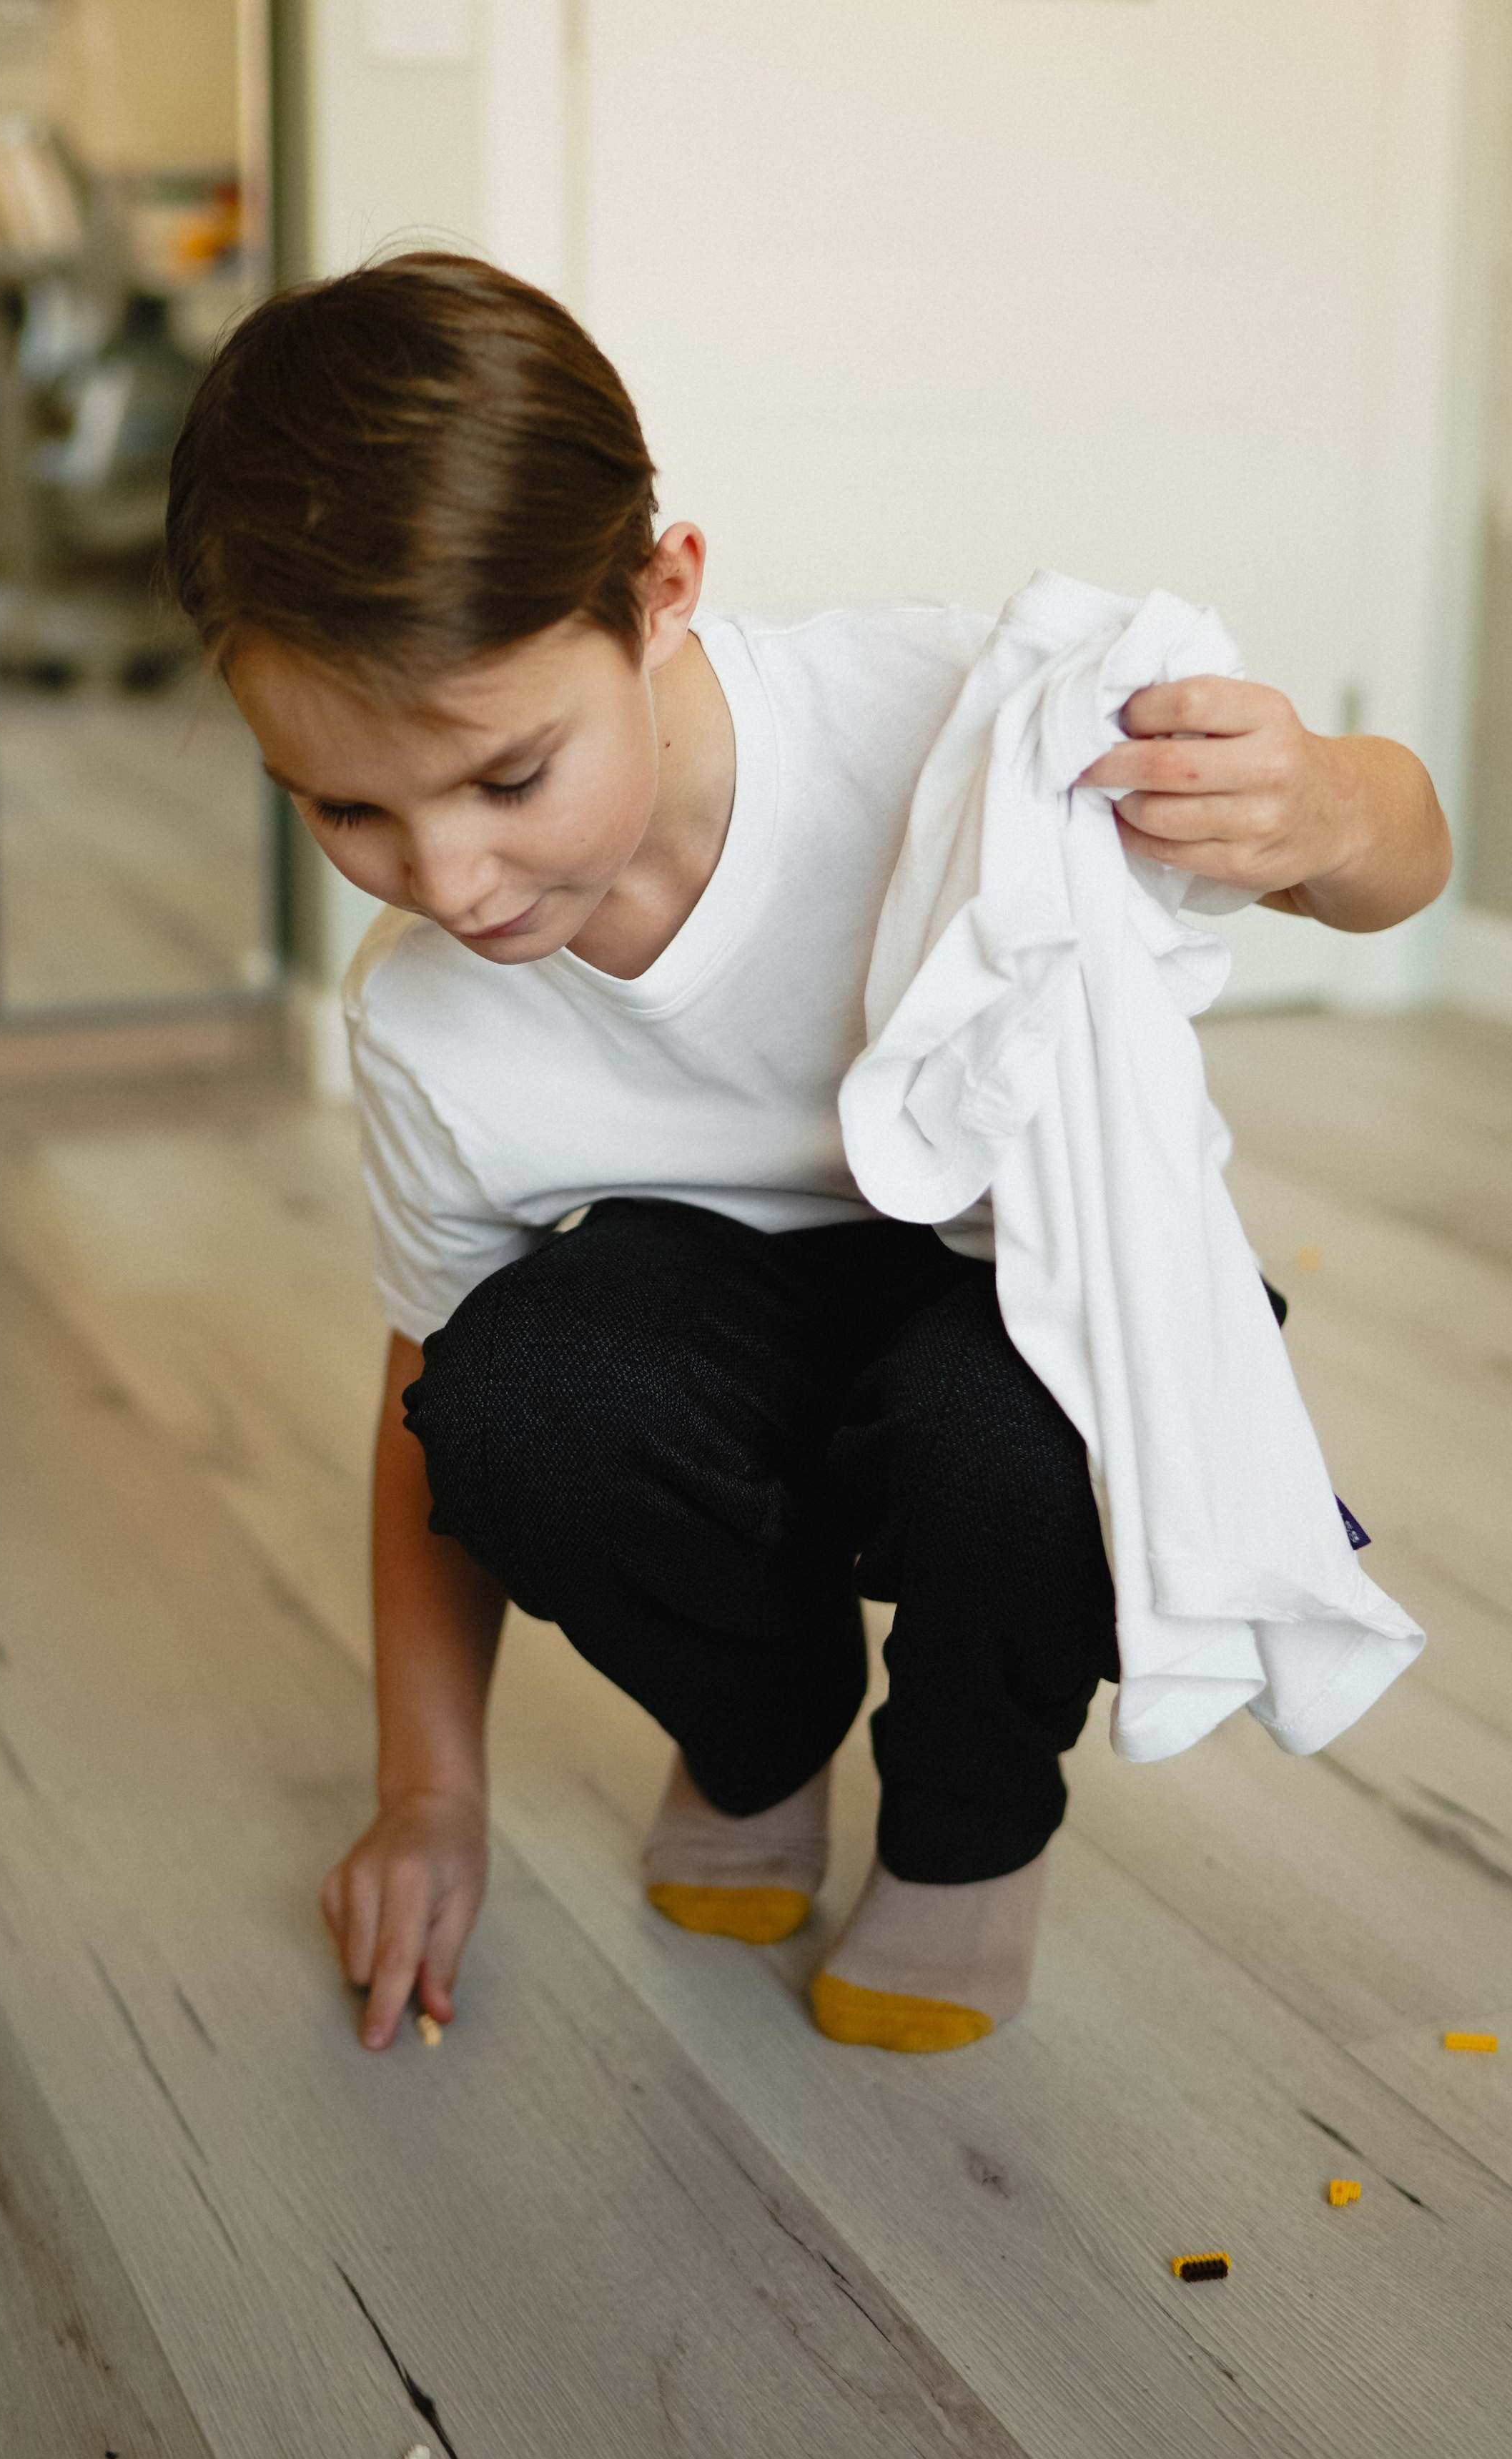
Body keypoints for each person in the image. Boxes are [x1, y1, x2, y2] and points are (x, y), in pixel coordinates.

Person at [164, 252, 1451, 2057]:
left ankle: (967, 1822)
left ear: (660, 591)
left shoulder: (962, 730)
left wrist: (1323, 799)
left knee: (1008, 1428)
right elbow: (421, 1387)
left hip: (1006, 1312)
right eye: (347, 809)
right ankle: (761, 1732)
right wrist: (428, 1789)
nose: (448, 882)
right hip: (716, 1327)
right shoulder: (428, 1022)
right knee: (511, 1398)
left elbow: (1398, 859)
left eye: (507, 777)